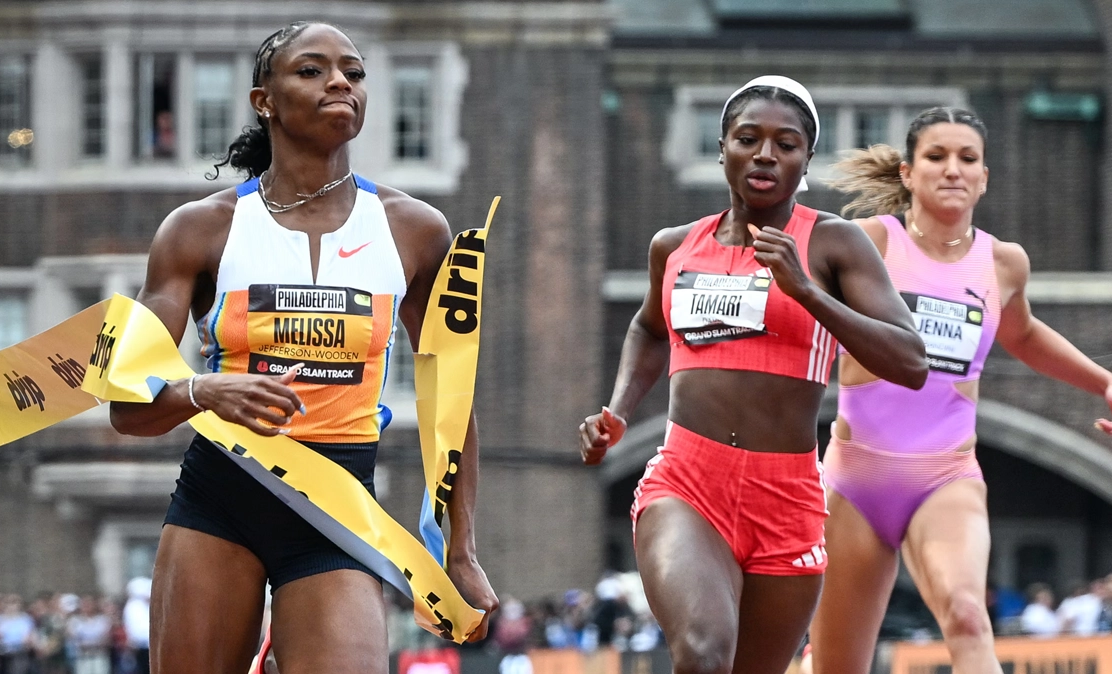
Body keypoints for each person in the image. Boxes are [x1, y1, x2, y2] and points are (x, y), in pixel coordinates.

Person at [107, 21, 498, 674]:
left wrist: (460, 550)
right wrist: (201, 391)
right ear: (265, 100)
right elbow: (126, 406)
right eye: (312, 70)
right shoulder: (200, 230)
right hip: (219, 503)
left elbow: (450, 404)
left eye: (354, 70)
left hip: (338, 508)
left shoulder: (416, 231)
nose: (340, 81)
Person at [579, 76, 928, 674]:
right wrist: (618, 409)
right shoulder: (674, 246)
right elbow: (647, 327)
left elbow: (911, 362)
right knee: (704, 653)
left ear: (805, 160)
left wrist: (807, 292)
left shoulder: (832, 244)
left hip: (786, 496)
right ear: (722, 148)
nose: (766, 154)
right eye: (748, 138)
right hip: (687, 484)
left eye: (785, 144)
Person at [809, 107, 1112, 674]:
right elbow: (800, 317)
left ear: (985, 177)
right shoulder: (867, 245)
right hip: (853, 478)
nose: (953, 169)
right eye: (936, 157)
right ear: (908, 174)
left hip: (945, 475)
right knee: (837, 664)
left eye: (968, 159)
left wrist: (1104, 380)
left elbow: (1025, 335)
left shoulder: (1004, 263)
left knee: (967, 614)